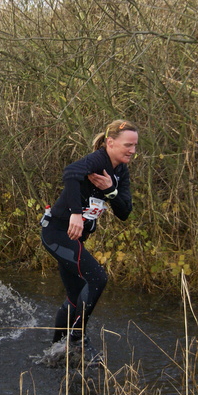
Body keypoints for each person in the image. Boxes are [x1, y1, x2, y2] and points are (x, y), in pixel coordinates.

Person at [41, 119, 138, 347]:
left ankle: (55, 351)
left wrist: (110, 191)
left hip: (75, 238)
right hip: (57, 233)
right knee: (97, 278)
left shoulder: (120, 171)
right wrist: (75, 213)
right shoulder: (98, 159)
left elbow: (125, 211)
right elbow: (71, 173)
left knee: (75, 298)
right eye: (128, 145)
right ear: (111, 143)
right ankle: (77, 336)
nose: (133, 151)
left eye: (135, 146)